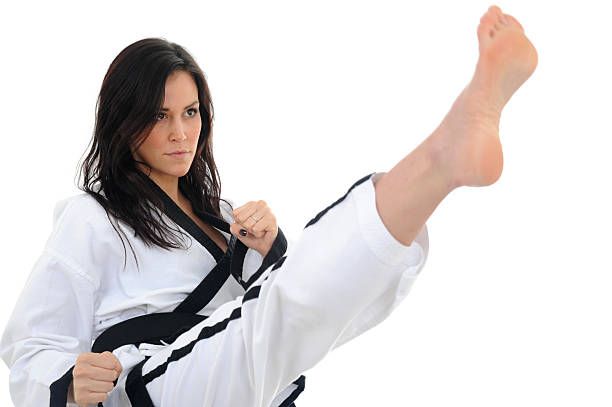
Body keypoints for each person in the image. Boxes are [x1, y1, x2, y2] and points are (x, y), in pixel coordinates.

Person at [0, 5, 538, 406]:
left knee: (342, 308)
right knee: (283, 313)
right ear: (123, 121)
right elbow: (30, 344)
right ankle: (443, 157)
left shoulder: (218, 211)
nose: (181, 133)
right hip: (151, 385)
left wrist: (265, 250)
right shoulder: (92, 217)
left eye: (191, 113)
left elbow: (260, 306)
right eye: (160, 116)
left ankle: (440, 171)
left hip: (239, 379)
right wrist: (67, 380)